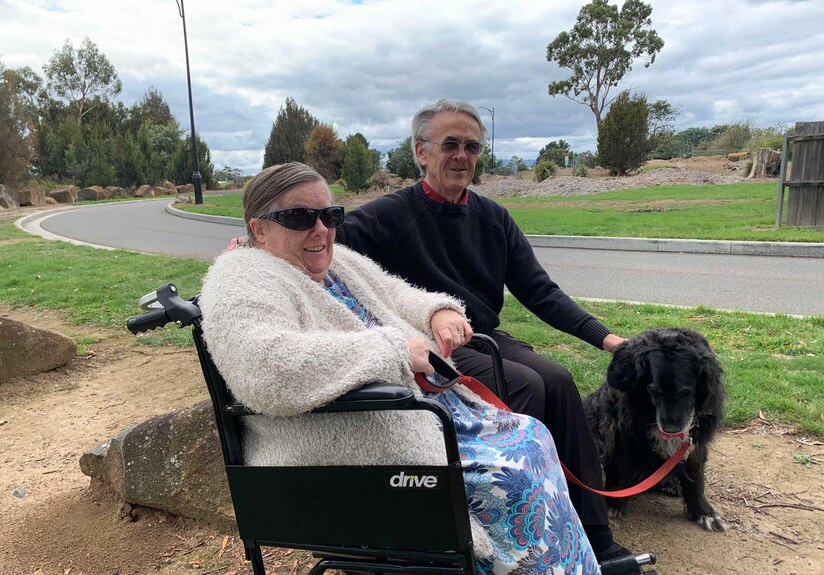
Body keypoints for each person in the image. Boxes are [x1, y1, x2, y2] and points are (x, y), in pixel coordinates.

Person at [200, 162, 601, 575]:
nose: (320, 229)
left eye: (330, 215)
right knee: (515, 480)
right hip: (360, 441)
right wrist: (392, 349)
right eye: (300, 217)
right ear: (260, 230)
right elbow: (266, 369)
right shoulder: (241, 279)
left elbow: (395, 291)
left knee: (534, 436)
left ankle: (575, 565)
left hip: (418, 414)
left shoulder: (337, 264)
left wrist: (438, 311)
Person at [334, 99, 628, 561]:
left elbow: (540, 291)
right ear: (421, 153)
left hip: (484, 336)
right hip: (429, 346)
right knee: (525, 386)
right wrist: (259, 242)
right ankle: (517, 533)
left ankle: (594, 531)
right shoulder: (387, 216)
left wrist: (608, 339)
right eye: (450, 144)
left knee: (559, 380)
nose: (462, 156)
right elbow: (322, 243)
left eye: (471, 146)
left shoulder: (494, 218)